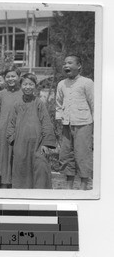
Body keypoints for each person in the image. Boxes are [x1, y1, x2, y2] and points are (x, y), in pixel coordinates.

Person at [7, 73, 56, 189]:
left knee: (41, 167)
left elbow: (46, 123)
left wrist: (46, 143)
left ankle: (41, 198)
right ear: (21, 86)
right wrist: (14, 140)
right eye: (25, 84)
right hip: (20, 145)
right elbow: (11, 125)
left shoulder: (39, 103)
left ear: (35, 86)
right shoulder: (17, 105)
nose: (27, 87)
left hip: (38, 144)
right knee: (21, 170)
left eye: (30, 84)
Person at [56, 55, 94, 190]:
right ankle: (69, 187)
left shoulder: (87, 82)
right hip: (66, 124)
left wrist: (95, 127)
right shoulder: (61, 84)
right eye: (65, 63)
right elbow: (58, 104)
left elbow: (94, 104)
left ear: (79, 66)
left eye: (70, 63)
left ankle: (84, 187)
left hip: (84, 124)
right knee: (66, 155)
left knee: (82, 155)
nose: (66, 65)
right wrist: (60, 120)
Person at [0, 65, 22, 188]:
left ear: (19, 77)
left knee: (18, 156)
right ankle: (4, 183)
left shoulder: (24, 93)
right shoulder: (1, 94)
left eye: (13, 76)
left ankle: (17, 184)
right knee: (3, 157)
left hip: (20, 132)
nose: (10, 79)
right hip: (3, 130)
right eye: (8, 77)